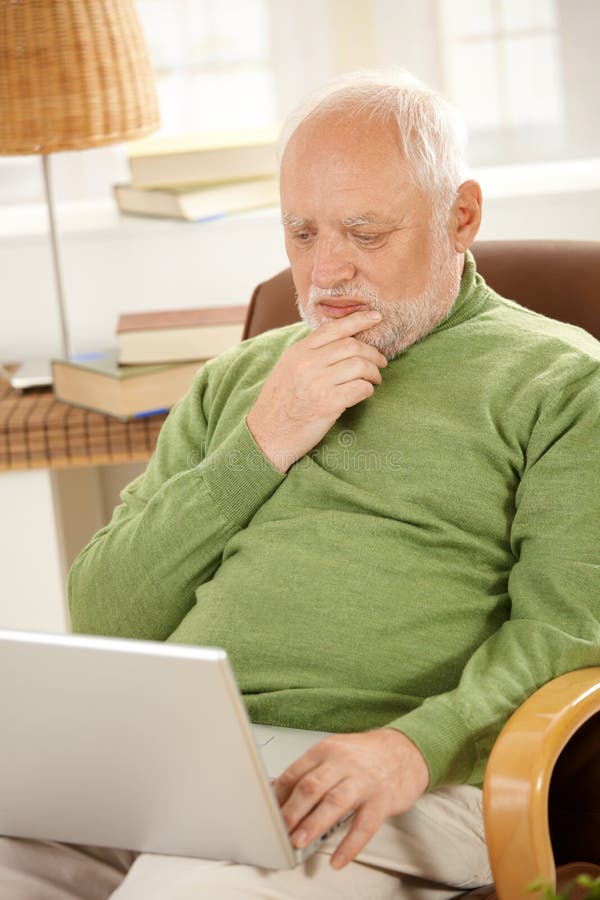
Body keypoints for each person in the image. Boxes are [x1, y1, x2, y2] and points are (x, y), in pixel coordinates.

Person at [2, 67, 599, 900]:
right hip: (176, 763)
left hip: (394, 776)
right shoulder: (239, 379)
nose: (326, 275)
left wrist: (412, 748)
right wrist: (261, 441)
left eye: (364, 232)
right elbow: (106, 612)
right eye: (302, 234)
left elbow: (570, 634)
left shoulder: (564, 384)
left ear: (460, 216)